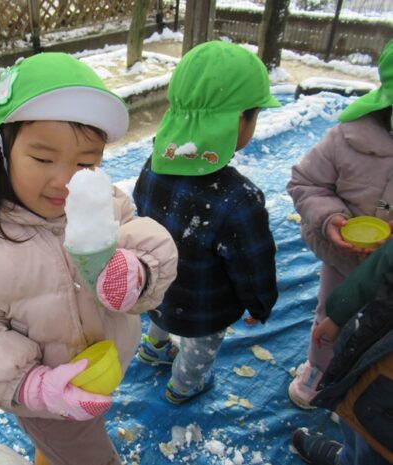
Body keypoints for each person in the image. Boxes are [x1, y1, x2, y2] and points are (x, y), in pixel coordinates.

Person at [0, 52, 178, 465]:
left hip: (103, 367)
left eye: (86, 162)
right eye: (42, 159)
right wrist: (34, 387)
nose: (65, 180)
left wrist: (139, 270)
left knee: (62, 450)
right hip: (47, 402)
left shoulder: (102, 203)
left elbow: (141, 235)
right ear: (3, 150)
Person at [133, 40, 279, 404]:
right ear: (238, 121)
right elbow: (253, 266)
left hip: (156, 288)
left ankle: (154, 348)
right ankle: (184, 385)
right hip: (204, 307)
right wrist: (260, 305)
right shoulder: (239, 200)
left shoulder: (153, 164)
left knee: (160, 314)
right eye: (254, 115)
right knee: (199, 348)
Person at [286, 38, 393, 410]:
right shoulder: (347, 138)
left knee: (379, 329)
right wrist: (330, 217)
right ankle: (319, 371)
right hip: (344, 256)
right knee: (331, 314)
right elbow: (305, 182)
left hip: (391, 270)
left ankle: (362, 383)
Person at [292, 237, 393, 465]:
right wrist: (341, 311)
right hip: (376, 375)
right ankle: (349, 457)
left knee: (378, 446)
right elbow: (385, 261)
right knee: (361, 424)